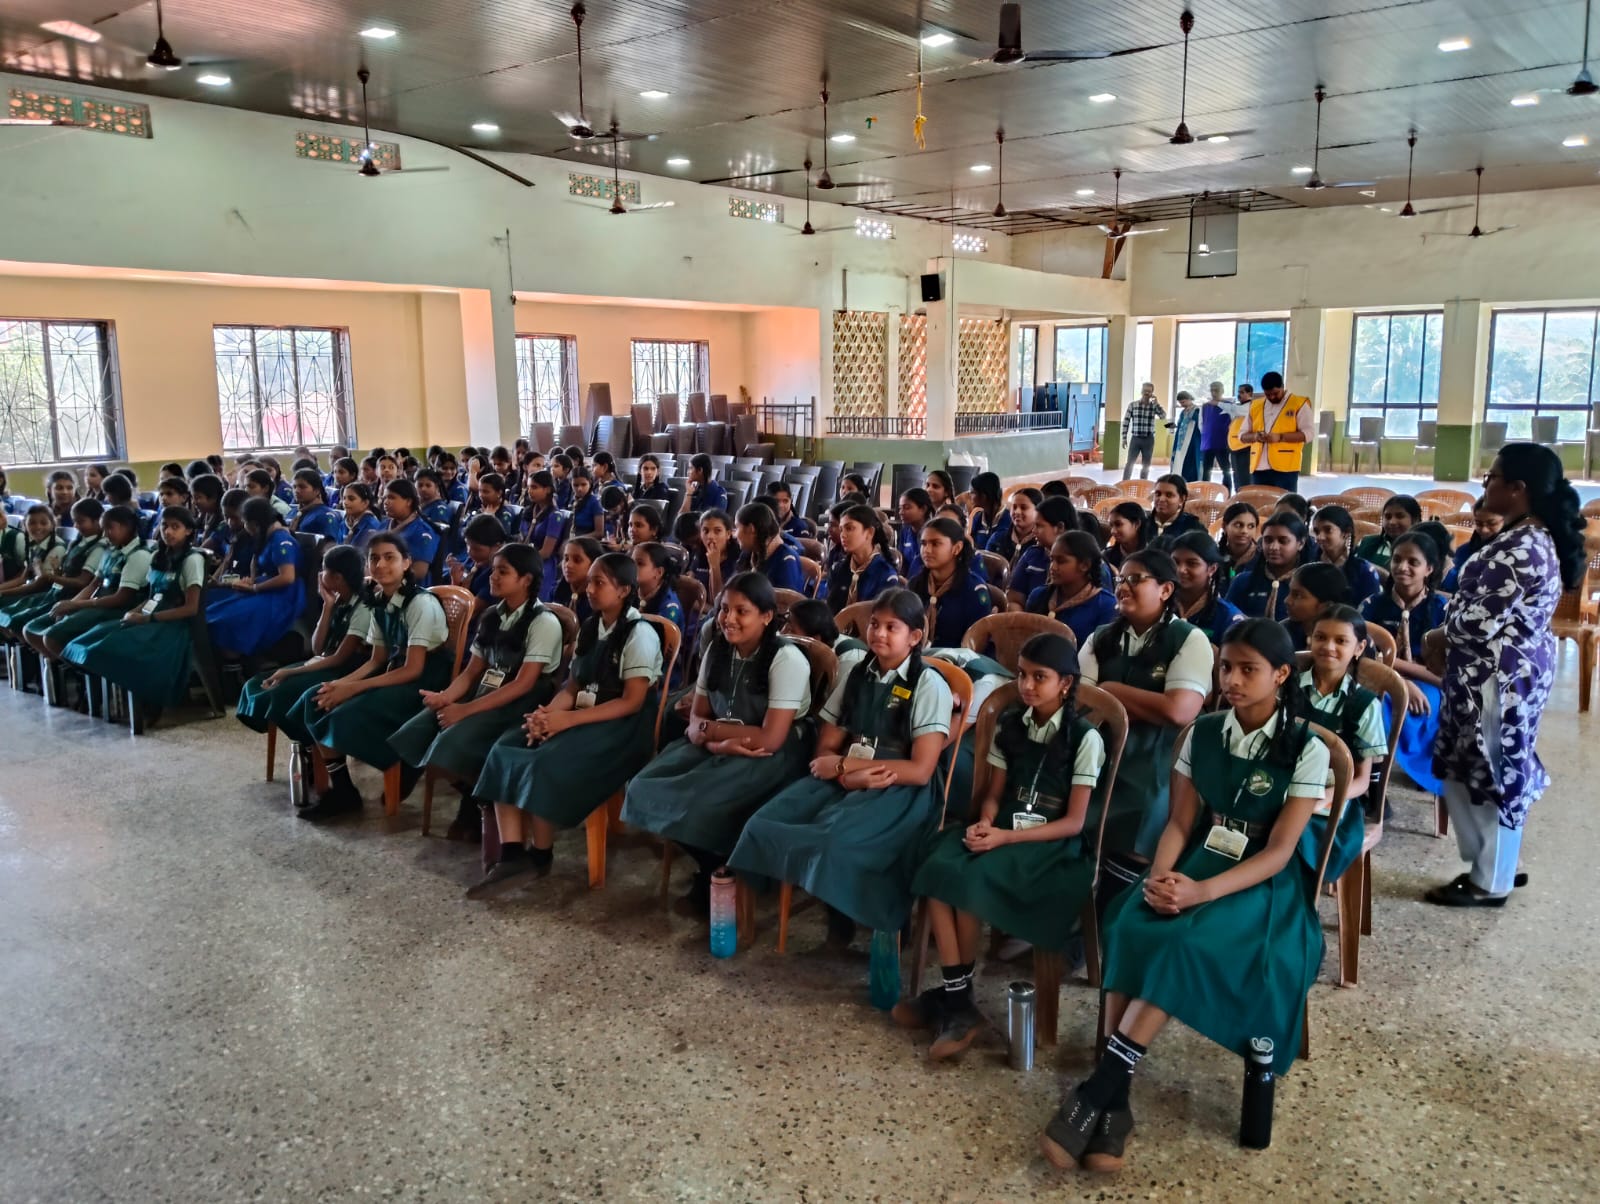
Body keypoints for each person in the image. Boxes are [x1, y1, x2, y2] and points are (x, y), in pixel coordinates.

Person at [1040, 620, 1331, 1174]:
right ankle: (1116, 1102)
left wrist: (1201, 891)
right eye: (1226, 668)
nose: (1232, 680)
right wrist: (1162, 876)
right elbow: (1179, 822)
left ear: (1281, 675)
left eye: (1249, 670)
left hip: (1262, 884)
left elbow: (1280, 852)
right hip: (1202, 858)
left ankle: (1101, 1086)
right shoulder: (1205, 732)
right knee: (1129, 920)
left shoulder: (1305, 748)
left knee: (1183, 944)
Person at [899, 632, 1106, 1059]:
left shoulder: (1085, 738)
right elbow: (994, 794)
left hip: (1052, 844)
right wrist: (986, 821)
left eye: (1039, 677)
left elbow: (1073, 822)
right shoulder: (1011, 724)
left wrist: (1005, 837)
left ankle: (954, 1000)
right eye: (1022, 675)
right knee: (939, 866)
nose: (1027, 685)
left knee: (970, 881)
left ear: (1066, 683)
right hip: (1005, 826)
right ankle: (959, 998)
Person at [730, 588, 955, 945]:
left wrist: (848, 768)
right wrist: (845, 774)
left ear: (914, 637)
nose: (879, 633)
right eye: (875, 624)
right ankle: (746, 923)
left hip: (899, 787)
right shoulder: (857, 672)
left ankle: (857, 917)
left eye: (892, 627)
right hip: (846, 776)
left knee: (833, 842)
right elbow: (827, 745)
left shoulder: (928, 685)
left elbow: (921, 769)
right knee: (762, 824)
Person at [1428, 444, 1583, 907]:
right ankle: (1496, 864)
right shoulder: (1521, 536)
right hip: (1494, 674)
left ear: (1517, 489)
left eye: (1492, 477)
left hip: (1499, 680)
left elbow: (1478, 622)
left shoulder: (1522, 548)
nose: (1485, 484)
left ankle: (1490, 882)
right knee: (1476, 770)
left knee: (1493, 775)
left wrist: (1437, 635)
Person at [469, 552, 664, 896]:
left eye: (599, 583)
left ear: (624, 590)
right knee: (507, 746)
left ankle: (541, 853)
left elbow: (631, 702)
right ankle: (512, 854)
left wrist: (566, 720)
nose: (590, 589)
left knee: (544, 761)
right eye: (589, 582)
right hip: (583, 716)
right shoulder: (591, 626)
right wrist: (546, 715)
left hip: (622, 729)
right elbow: (572, 688)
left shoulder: (639, 633)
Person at [623, 571, 814, 914]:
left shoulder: (785, 659)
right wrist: (713, 742)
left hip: (769, 756)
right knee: (643, 786)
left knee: (702, 803)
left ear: (766, 616)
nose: (729, 619)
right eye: (725, 609)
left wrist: (708, 732)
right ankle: (715, 863)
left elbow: (770, 737)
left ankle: (721, 872)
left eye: (742, 611)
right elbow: (697, 715)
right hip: (721, 745)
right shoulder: (718, 648)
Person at [389, 543, 565, 841]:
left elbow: (523, 683)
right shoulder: (492, 615)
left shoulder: (543, 622)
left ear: (526, 580)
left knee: (452, 742)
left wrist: (464, 710)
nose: (492, 577)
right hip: (486, 691)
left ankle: (477, 802)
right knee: (418, 728)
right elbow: (472, 672)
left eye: (502, 572)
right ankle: (476, 796)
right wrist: (446, 697)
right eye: (493, 570)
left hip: (520, 702)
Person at [1078, 549, 1211, 905]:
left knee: (1142, 810)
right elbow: (1083, 705)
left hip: (1161, 753)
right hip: (1101, 745)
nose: (1123, 587)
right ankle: (1073, 907)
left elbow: (1180, 711)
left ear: (1166, 590)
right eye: (1121, 579)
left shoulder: (1188, 639)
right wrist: (1135, 706)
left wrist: (1111, 691)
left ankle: (1113, 910)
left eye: (1135, 579)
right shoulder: (1101, 638)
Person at [295, 533, 453, 821]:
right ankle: (343, 790)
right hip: (395, 672)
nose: (380, 565)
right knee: (315, 698)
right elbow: (376, 660)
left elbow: (414, 669)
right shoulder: (378, 601)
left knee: (346, 714)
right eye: (374, 558)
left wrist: (353, 690)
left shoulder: (419, 602)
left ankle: (405, 760)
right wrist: (340, 685)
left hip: (424, 682)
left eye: (390, 557)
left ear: (406, 563)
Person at [236, 544, 372, 789]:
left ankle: (309, 749)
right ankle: (307, 748)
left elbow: (339, 658)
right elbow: (317, 648)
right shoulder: (339, 600)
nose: (320, 574)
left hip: (345, 670)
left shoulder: (362, 607)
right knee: (257, 683)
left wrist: (290, 670)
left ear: (338, 577)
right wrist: (327, 606)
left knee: (283, 690)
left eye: (324, 570)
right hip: (323, 662)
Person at [62, 506, 208, 720]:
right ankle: (101, 696)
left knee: (111, 647)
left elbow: (190, 608)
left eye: (175, 527)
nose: (168, 531)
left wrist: (148, 618)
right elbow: (152, 597)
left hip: (173, 626)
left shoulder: (192, 559)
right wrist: (132, 614)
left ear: (188, 531)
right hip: (150, 618)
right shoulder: (159, 555)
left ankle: (143, 700)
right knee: (89, 639)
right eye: (164, 526)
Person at [1295, 603, 1387, 886]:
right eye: (1321, 637)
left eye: (1341, 641)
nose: (1328, 647)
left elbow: (1361, 781)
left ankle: (1294, 895)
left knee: (1294, 832)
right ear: (1310, 638)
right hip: (1287, 782)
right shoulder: (1288, 687)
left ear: (1359, 648)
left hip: (1332, 798)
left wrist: (1322, 798)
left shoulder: (1364, 705)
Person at [1362, 532, 1448, 795]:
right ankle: (1373, 781)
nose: (1402, 567)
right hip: (1379, 676)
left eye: (1413, 562)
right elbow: (1362, 657)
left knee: (1422, 703)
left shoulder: (1443, 609)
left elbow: (1444, 674)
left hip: (1429, 682)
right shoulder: (1372, 604)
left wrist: (1401, 675)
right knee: (1373, 704)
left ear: (1429, 569)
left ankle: (1419, 768)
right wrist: (1400, 682)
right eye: (1397, 559)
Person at [23, 505, 152, 667]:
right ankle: (70, 670)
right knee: (32, 629)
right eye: (103, 529)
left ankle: (82, 673)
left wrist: (77, 605)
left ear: (126, 527)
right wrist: (70, 605)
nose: (105, 534)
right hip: (97, 606)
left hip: (115, 610)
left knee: (53, 637)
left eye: (109, 528)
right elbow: (92, 585)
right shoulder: (111, 551)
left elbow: (121, 598)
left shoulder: (139, 555)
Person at [204, 497, 302, 658]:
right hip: (266, 587)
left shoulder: (281, 540)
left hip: (283, 595)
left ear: (255, 524)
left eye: (244, 522)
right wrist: (251, 581)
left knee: (227, 619)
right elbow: (256, 563)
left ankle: (235, 661)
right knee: (212, 606)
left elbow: (287, 577)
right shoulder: (266, 536)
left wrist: (255, 587)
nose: (243, 526)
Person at [0, 498, 103, 639]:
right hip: (53, 592)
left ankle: (25, 648)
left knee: (20, 621)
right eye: (75, 521)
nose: (76, 526)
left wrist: (50, 576)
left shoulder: (93, 547)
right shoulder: (75, 542)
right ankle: (19, 646)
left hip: (60, 594)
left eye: (81, 521)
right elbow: (24, 578)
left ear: (97, 521)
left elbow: (80, 582)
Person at [909, 517, 992, 649]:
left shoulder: (973, 590)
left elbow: (978, 644)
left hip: (958, 658)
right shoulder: (916, 584)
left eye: (935, 544)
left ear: (956, 548)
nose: (927, 550)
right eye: (923, 544)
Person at [1026, 531, 1117, 643]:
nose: (1053, 567)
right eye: (1052, 560)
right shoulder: (1038, 595)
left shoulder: (1106, 606)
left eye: (1061, 561)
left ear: (1084, 565)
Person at [1226, 512, 1308, 622]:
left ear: (1300, 544)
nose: (1273, 547)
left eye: (1283, 541)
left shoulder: (1309, 584)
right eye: (1268, 540)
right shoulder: (1242, 581)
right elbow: (1227, 620)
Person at [1168, 531, 1244, 645]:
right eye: (1175, 562)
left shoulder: (1227, 616)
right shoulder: (1158, 606)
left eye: (1192, 563)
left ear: (1212, 569)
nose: (1180, 570)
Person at [1240, 372, 1312, 492]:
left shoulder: (1298, 403)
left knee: (1285, 502)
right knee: (1260, 502)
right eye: (1268, 394)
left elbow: (1308, 434)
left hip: (1286, 468)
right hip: (1259, 467)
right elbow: (1242, 436)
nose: (1272, 397)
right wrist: (1256, 436)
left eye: (1275, 393)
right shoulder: (1255, 405)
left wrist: (1280, 437)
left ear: (1282, 387)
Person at [825, 504, 898, 614]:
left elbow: (880, 615)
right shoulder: (837, 569)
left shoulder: (885, 574)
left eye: (849, 528)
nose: (843, 535)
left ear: (870, 532)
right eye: (841, 529)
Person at [1008, 496, 1075, 608]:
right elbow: (1013, 600)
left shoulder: (1083, 562)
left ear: (1060, 527)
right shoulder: (1032, 555)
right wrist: (1023, 618)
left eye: (1039, 526)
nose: (1033, 531)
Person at [1309, 505, 1381, 605]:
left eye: (1328, 530)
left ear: (1346, 532)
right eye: (1317, 532)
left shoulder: (1363, 570)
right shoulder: (1309, 568)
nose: (1320, 537)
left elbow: (1370, 607)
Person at [734, 502, 805, 592]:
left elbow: (787, 599)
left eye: (737, 527)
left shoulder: (787, 560)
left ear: (751, 529)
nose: (735, 535)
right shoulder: (750, 553)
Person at [1282, 562, 1351, 651]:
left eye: (1298, 595)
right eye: (1290, 592)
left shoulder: (1351, 638)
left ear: (1326, 606)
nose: (1287, 601)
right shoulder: (1281, 634)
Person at [384, 479, 439, 585]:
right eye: (385, 498)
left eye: (391, 497)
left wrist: (386, 579)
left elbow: (419, 571)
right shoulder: (384, 524)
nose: (386, 502)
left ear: (408, 501)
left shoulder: (422, 531)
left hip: (408, 587)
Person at [1442, 498, 1504, 592]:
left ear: (1505, 521)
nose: (1484, 530)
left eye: (1492, 523)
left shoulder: (1511, 552)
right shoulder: (1464, 551)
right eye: (1479, 524)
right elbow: (1450, 585)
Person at [1355, 495, 1422, 571]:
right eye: (1388, 517)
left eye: (1400, 516)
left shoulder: (1424, 548)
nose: (1392, 522)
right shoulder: (1367, 542)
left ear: (1415, 519)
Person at [1198, 381, 1241, 490]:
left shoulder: (1229, 406)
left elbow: (1234, 423)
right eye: (1212, 390)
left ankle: (1227, 492)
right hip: (1208, 443)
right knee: (1206, 470)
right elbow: (1201, 424)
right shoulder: (1205, 406)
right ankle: (1204, 491)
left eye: (1216, 390)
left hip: (1223, 443)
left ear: (1222, 391)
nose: (1214, 393)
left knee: (1226, 470)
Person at [552, 536, 602, 625]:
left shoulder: (599, 599)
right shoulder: (557, 589)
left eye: (577, 560)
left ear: (594, 565)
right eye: (566, 559)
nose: (568, 565)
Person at [1120, 382, 1165, 482]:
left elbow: (1163, 416)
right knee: (1130, 462)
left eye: (1149, 391)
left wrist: (1157, 404)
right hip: (1136, 439)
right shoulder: (1133, 405)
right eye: (1145, 390)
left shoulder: (1154, 406)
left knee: (1146, 464)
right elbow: (1126, 422)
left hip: (1148, 439)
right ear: (1141, 391)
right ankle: (1124, 483)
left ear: (1152, 393)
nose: (1146, 393)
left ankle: (1143, 484)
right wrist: (1124, 438)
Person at [692, 509, 740, 602]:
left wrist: (714, 566)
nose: (710, 536)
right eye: (705, 531)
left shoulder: (737, 561)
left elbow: (718, 602)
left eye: (717, 531)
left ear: (728, 534)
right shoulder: (699, 555)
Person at [287, 468, 344, 541]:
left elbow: (331, 544)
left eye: (302, 487)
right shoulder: (293, 512)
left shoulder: (325, 516)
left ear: (317, 490)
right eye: (294, 487)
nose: (296, 491)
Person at [987, 487, 1040, 562]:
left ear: (1038, 511)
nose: (1017, 512)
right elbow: (984, 566)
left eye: (1023, 508)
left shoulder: (1041, 544)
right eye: (1014, 507)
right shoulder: (997, 539)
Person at [1147, 474, 1203, 545]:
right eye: (1158, 494)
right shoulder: (1143, 522)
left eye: (1169, 495)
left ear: (1181, 499)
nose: (1161, 499)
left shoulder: (1192, 527)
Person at [1103, 501, 1151, 574]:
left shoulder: (1153, 557)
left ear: (1136, 524)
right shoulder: (1107, 556)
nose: (1112, 531)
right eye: (1111, 525)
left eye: (1118, 524)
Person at [1217, 501, 1260, 581]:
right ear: (1224, 526)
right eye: (1238, 525)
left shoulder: (1262, 559)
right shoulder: (1215, 556)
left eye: (1251, 526)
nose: (1244, 531)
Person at [1166, 390, 1201, 482]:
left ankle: (1191, 482)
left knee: (1190, 462)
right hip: (1181, 442)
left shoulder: (1197, 411)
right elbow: (1180, 424)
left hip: (1192, 442)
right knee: (1180, 461)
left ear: (1189, 399)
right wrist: (1170, 425)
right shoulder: (1183, 412)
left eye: (1183, 402)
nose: (1182, 405)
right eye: (1180, 403)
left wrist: (1190, 416)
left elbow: (1200, 424)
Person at [897, 488, 932, 578]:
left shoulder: (934, 532)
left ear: (923, 509)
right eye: (900, 508)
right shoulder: (905, 531)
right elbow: (901, 561)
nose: (901, 512)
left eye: (907, 507)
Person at [967, 472, 1006, 551]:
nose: (970, 496)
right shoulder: (977, 517)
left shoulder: (1008, 519)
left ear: (984, 496)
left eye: (973, 492)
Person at [340, 482, 384, 549]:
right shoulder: (345, 522)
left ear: (365, 503)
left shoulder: (371, 526)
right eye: (344, 498)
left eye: (351, 499)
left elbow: (362, 553)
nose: (345, 502)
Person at [568, 469, 605, 541]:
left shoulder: (595, 503)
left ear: (590, 483)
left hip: (588, 542)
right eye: (575, 485)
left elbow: (599, 533)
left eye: (583, 484)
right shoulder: (572, 500)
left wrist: (576, 539)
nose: (579, 489)